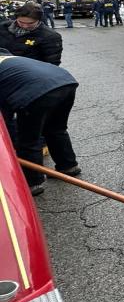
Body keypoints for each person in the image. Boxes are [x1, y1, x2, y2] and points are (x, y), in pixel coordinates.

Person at [0, 50, 80, 196]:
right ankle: (68, 166)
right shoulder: (8, 58)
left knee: (28, 139)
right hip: (65, 81)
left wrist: (10, 143)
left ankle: (33, 183)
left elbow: (5, 116)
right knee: (56, 129)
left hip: (37, 91)